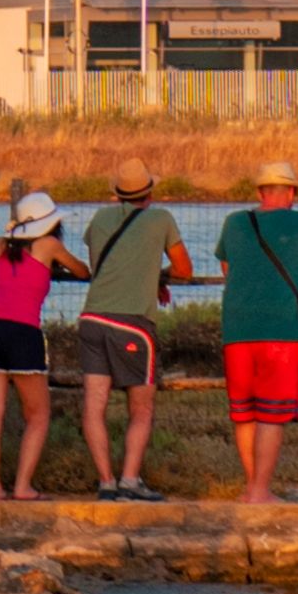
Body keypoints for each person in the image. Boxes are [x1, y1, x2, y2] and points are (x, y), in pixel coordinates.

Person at [216, 153, 298, 501]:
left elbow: (227, 269)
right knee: (271, 414)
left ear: (261, 192)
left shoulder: (234, 222)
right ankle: (261, 490)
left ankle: (251, 487)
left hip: (237, 328)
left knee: (244, 412)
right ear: (291, 193)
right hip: (281, 330)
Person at [74, 161, 196, 500]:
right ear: (150, 192)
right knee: (141, 408)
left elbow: (104, 264)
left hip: (92, 319)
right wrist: (158, 275)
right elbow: (185, 269)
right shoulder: (161, 219)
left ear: (118, 193)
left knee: (94, 406)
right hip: (133, 325)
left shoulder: (99, 219)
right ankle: (130, 480)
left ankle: (105, 482)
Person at [0, 186, 83, 505]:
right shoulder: (50, 245)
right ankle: (22, 485)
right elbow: (82, 270)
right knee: (37, 414)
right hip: (23, 332)